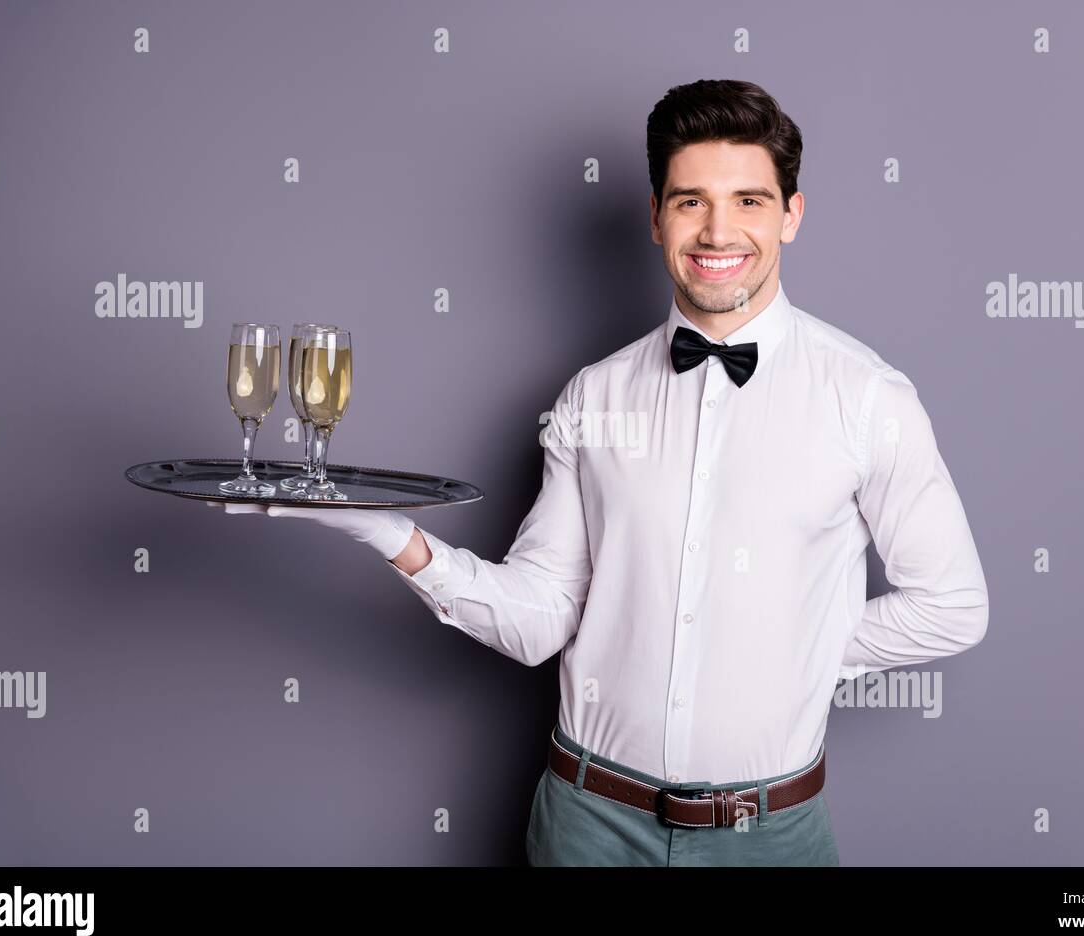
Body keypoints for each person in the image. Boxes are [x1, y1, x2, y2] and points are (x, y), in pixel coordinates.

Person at [215, 79, 990, 866]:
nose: (718, 230)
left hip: (771, 838)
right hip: (587, 825)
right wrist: (388, 535)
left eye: (749, 201)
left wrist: (805, 649)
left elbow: (952, 606)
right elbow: (540, 620)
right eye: (690, 201)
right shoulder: (591, 397)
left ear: (791, 214)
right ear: (656, 218)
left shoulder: (868, 398)